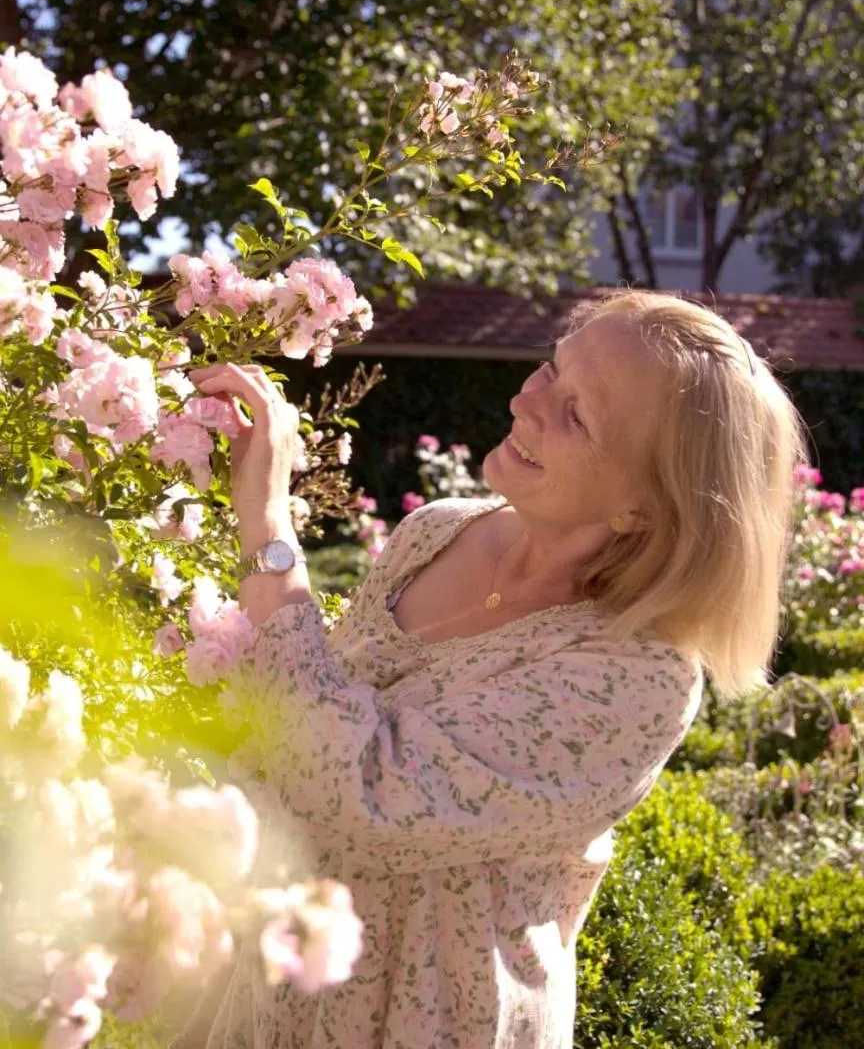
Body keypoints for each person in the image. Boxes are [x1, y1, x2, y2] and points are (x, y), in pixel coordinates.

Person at [186, 288, 807, 1049]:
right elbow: (301, 716)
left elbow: (364, 792)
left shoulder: (635, 680)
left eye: (576, 412)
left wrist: (269, 527)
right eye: (552, 369)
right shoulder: (436, 533)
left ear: (645, 508)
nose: (526, 401)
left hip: (428, 1020)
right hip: (277, 977)